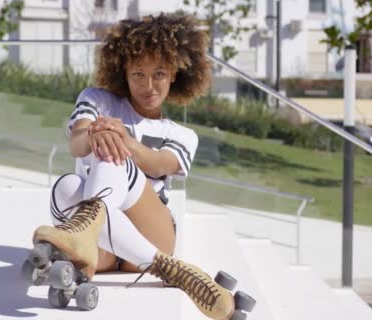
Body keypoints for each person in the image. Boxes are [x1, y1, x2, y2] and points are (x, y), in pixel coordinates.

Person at [33, 13, 241, 320]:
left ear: (174, 74)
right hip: (101, 248)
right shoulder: (97, 100)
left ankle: (92, 232)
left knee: (114, 157)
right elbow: (77, 143)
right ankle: (172, 270)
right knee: (66, 186)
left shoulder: (182, 135)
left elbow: (158, 164)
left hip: (152, 231)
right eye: (138, 75)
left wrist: (122, 139)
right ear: (123, 73)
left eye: (159, 74)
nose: (149, 85)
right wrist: (95, 132)